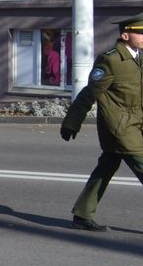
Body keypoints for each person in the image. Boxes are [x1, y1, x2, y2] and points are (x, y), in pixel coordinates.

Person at [59, 12, 143, 232]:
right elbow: (90, 93)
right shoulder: (111, 59)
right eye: (140, 32)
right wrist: (71, 122)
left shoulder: (138, 57)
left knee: (106, 167)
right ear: (125, 35)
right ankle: (82, 215)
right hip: (120, 127)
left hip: (135, 123)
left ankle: (82, 214)